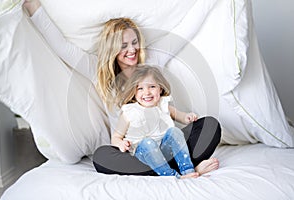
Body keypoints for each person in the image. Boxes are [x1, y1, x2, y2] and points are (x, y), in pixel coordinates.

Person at [23, 0, 221, 176]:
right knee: (102, 156)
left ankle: (174, 167)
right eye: (124, 45)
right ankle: (182, 169)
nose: (132, 49)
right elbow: (62, 47)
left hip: (165, 144)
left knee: (209, 126)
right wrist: (33, 7)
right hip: (134, 152)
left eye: (134, 42)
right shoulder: (98, 72)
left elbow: (183, 32)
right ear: (112, 48)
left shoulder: (151, 62)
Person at [113, 65, 200, 179]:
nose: (147, 92)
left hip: (164, 151)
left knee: (174, 131)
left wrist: (187, 117)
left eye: (152, 86)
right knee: (147, 142)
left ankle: (187, 170)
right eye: (140, 88)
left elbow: (179, 115)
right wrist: (120, 144)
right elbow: (116, 136)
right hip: (143, 153)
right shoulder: (130, 112)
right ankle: (171, 176)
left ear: (160, 88)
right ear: (134, 91)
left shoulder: (163, 105)